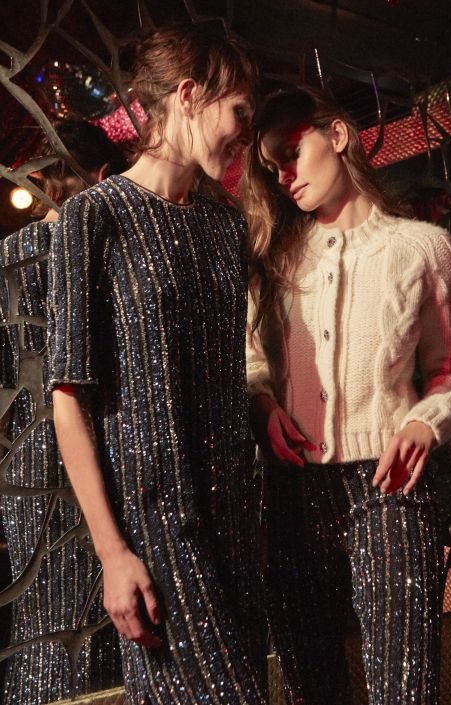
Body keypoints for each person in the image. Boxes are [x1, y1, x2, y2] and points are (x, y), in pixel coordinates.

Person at [242, 86, 451, 705]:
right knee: (310, 688)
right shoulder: (275, 258)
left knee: (405, 689)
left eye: (291, 152)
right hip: (292, 494)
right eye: (272, 167)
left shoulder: (422, 247)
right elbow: (249, 358)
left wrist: (426, 422)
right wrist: (263, 402)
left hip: (389, 490)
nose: (285, 175)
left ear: (338, 135)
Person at [47, 23, 267, 705]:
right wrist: (112, 552)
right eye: (239, 111)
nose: (245, 133)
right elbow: (69, 399)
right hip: (156, 528)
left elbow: (228, 372)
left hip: (238, 520)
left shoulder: (225, 226)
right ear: (189, 94)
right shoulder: (95, 216)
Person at [0, 119, 126, 705]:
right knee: (93, 610)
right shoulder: (105, 247)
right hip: (96, 432)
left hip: (28, 450)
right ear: (102, 176)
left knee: (42, 615)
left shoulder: (11, 253)